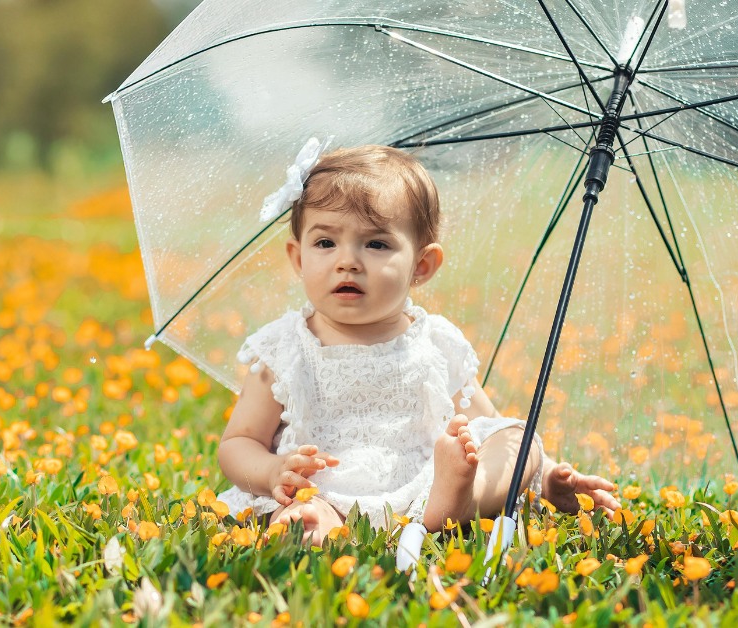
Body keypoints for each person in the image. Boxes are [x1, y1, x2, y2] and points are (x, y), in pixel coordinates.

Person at [216, 142, 619, 544]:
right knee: (302, 519)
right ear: (299, 257)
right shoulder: (285, 347)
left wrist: (544, 473)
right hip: (324, 489)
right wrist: (272, 471)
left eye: (376, 244)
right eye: (325, 243)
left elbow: (483, 425)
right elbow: (239, 442)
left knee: (518, 438)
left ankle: (457, 502)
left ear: (421, 266)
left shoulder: (435, 342)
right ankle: (326, 523)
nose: (348, 260)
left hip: (425, 483)